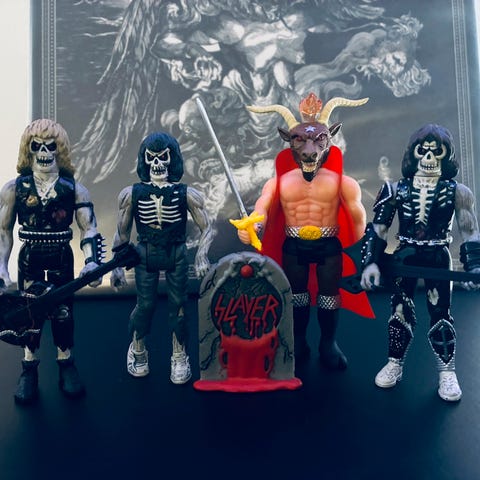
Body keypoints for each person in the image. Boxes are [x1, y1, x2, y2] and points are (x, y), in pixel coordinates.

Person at [235, 93, 373, 370]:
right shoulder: (280, 182)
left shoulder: (343, 183)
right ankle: (298, 341)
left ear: (330, 139)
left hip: (328, 245)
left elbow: (359, 219)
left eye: (319, 140)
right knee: (296, 296)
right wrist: (253, 227)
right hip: (294, 245)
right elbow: (262, 208)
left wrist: (363, 258)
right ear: (288, 141)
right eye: (300, 140)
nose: (310, 149)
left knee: (329, 298)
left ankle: (328, 344)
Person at [360, 123, 480, 401]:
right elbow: (378, 229)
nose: (428, 158)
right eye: (422, 151)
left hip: (438, 257)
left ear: (446, 156)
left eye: (436, 152)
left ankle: (447, 371)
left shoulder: (458, 192)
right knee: (399, 312)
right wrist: (371, 263)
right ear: (412, 154)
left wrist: (474, 265)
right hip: (405, 256)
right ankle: (395, 363)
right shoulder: (394, 190)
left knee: (441, 314)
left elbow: (470, 230)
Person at [0, 119, 104, 405]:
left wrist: (92, 261)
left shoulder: (75, 190)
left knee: (63, 313)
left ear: (60, 150)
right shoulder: (14, 189)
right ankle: (29, 368)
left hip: (61, 256)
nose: (44, 152)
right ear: (28, 150)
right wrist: (2, 267)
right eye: (37, 146)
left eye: (50, 146)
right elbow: (3, 231)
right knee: (28, 315)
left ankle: (65, 362)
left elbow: (89, 227)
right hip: (30, 257)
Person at [110, 131, 213, 384]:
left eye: (163, 157)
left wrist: (201, 254)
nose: (157, 164)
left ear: (172, 159)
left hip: (176, 252)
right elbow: (122, 232)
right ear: (144, 160)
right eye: (151, 157)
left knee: (178, 306)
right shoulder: (131, 194)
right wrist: (117, 266)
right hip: (145, 253)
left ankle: (179, 355)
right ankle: (138, 347)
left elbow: (207, 227)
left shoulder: (187, 193)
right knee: (145, 305)